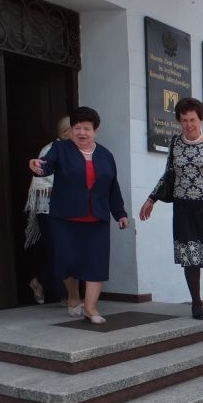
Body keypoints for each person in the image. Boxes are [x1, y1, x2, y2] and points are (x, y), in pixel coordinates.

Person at [139, 97, 203, 322]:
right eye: (184, 120)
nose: (188, 124)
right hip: (185, 209)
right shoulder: (175, 143)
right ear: (179, 121)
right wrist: (151, 199)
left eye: (192, 120)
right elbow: (169, 175)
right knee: (190, 257)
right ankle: (196, 304)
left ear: (201, 119)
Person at [29, 107, 129, 324]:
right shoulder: (60, 148)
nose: (82, 133)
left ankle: (91, 308)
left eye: (87, 128)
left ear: (95, 130)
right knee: (67, 261)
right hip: (65, 218)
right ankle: (74, 297)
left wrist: (120, 213)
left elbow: (112, 187)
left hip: (97, 218)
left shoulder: (106, 155)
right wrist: (37, 166)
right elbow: (47, 166)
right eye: (77, 128)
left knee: (96, 262)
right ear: (71, 129)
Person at [24, 116, 71, 304]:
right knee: (58, 251)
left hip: (70, 210)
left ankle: (40, 282)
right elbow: (42, 181)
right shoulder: (50, 150)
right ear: (66, 132)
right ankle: (66, 296)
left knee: (67, 251)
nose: (81, 133)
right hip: (49, 209)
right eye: (76, 129)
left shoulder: (76, 151)